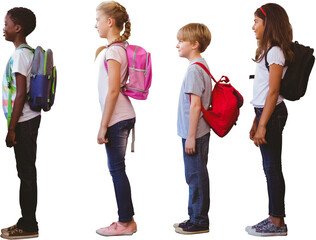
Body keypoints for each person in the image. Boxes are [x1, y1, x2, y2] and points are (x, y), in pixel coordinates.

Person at [246, 3, 294, 237]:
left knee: (272, 168)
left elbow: (273, 92)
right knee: (270, 168)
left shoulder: (275, 51)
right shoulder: (267, 51)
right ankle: (275, 218)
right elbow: (262, 90)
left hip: (273, 114)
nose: (253, 26)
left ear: (269, 24)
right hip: (264, 113)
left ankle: (277, 222)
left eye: (256, 21)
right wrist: (256, 121)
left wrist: (263, 124)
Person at [94, 1, 137, 237]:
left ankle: (125, 223)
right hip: (122, 116)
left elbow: (112, 91)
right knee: (118, 169)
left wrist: (103, 126)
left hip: (117, 118)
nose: (95, 25)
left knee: (117, 170)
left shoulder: (113, 51)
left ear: (109, 22)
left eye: (98, 20)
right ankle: (126, 219)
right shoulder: (121, 48)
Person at [1, 7, 41, 240]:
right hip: (29, 120)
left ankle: (28, 226)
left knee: (26, 175)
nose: (3, 28)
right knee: (26, 173)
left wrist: (12, 129)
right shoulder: (28, 52)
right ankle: (27, 220)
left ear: (18, 28)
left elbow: (20, 93)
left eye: (6, 24)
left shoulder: (20, 55)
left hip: (23, 122)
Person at [173, 23, 212, 235]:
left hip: (194, 134)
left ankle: (199, 220)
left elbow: (196, 105)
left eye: (182, 41)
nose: (177, 44)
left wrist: (190, 137)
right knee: (195, 175)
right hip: (196, 133)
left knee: (195, 176)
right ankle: (194, 216)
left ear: (195, 44)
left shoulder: (195, 70)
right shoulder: (200, 66)